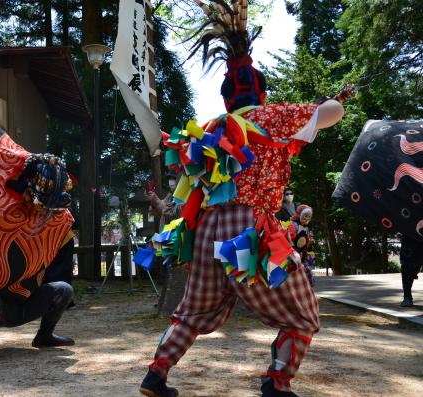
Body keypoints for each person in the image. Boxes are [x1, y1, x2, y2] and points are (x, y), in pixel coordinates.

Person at [139, 2, 346, 396]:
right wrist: (322, 105)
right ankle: (277, 383)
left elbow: (188, 188)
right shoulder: (274, 117)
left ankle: (156, 374)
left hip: (206, 234)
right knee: (303, 314)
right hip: (252, 231)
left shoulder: (210, 130)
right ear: (261, 92)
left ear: (226, 98)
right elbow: (333, 111)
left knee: (190, 312)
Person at [287, 205, 315, 287]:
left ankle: (308, 289)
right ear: (299, 215)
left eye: (309, 217)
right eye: (305, 216)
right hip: (293, 254)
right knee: (294, 272)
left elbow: (306, 241)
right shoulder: (293, 225)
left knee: (307, 271)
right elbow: (289, 238)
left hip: (302, 254)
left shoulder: (306, 228)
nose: (307, 219)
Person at [399, 235, 423, 307]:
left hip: (409, 248)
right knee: (408, 272)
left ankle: (407, 298)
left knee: (407, 272)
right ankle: (407, 298)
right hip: (412, 246)